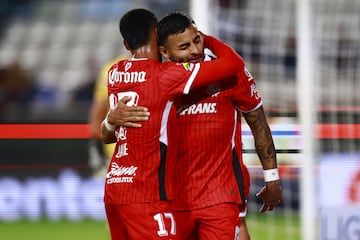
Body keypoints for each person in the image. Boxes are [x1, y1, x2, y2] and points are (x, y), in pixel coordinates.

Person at [110, 12, 283, 239]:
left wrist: (272, 178)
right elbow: (115, 132)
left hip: (219, 195)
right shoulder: (160, 77)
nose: (194, 50)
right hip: (171, 198)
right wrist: (110, 120)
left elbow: (257, 121)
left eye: (197, 40)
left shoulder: (229, 74)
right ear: (164, 51)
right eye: (184, 46)